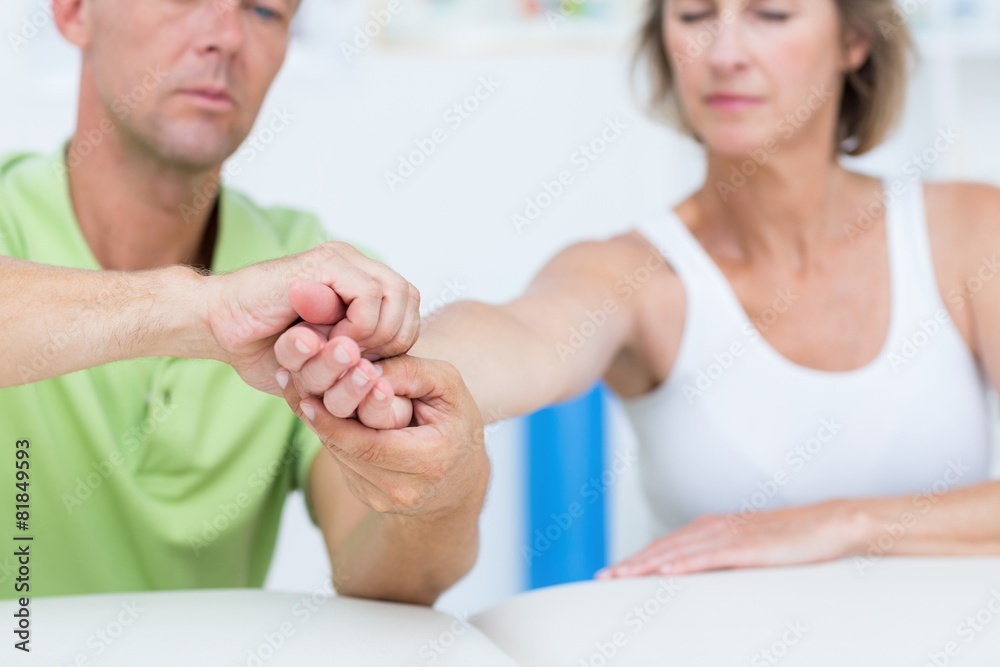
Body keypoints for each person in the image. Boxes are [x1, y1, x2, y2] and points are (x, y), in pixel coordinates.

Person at [280, 0, 1000, 578]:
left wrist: (842, 525)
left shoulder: (969, 232)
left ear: (854, 40)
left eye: (772, 14)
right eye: (694, 15)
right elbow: (523, 335)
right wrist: (380, 361)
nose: (724, 52)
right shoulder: (633, 273)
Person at [0, 0, 488, 606]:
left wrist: (442, 496)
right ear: (74, 12)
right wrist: (205, 311)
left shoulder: (317, 281)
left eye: (263, 10)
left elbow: (382, 581)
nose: (227, 36)